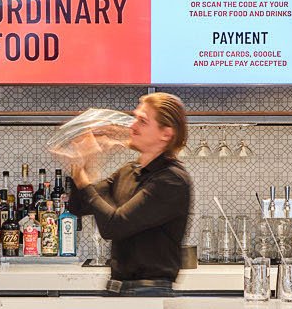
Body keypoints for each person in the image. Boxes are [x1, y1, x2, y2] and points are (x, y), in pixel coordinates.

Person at [57, 93, 193, 294]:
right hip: (119, 289)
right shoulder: (129, 171)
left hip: (149, 293)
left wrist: (83, 181)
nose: (133, 126)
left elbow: (114, 226)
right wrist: (87, 161)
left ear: (166, 133)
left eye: (143, 121)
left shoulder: (171, 180)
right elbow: (79, 207)